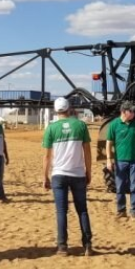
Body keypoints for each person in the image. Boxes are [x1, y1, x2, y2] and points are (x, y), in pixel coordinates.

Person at [42, 98, 94, 257]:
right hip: (77, 173)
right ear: (69, 108)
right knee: (82, 210)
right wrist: (88, 172)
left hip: (59, 174)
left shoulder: (51, 128)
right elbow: (87, 152)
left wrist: (45, 177)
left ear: (56, 110)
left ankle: (62, 246)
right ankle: (87, 245)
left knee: (61, 211)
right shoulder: (80, 125)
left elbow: (47, 156)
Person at [106, 101, 135, 219]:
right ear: (124, 112)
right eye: (131, 111)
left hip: (134, 161)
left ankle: (134, 211)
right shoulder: (114, 125)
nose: (133, 113)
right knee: (120, 187)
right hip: (120, 161)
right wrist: (109, 159)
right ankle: (121, 210)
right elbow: (109, 143)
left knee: (134, 187)